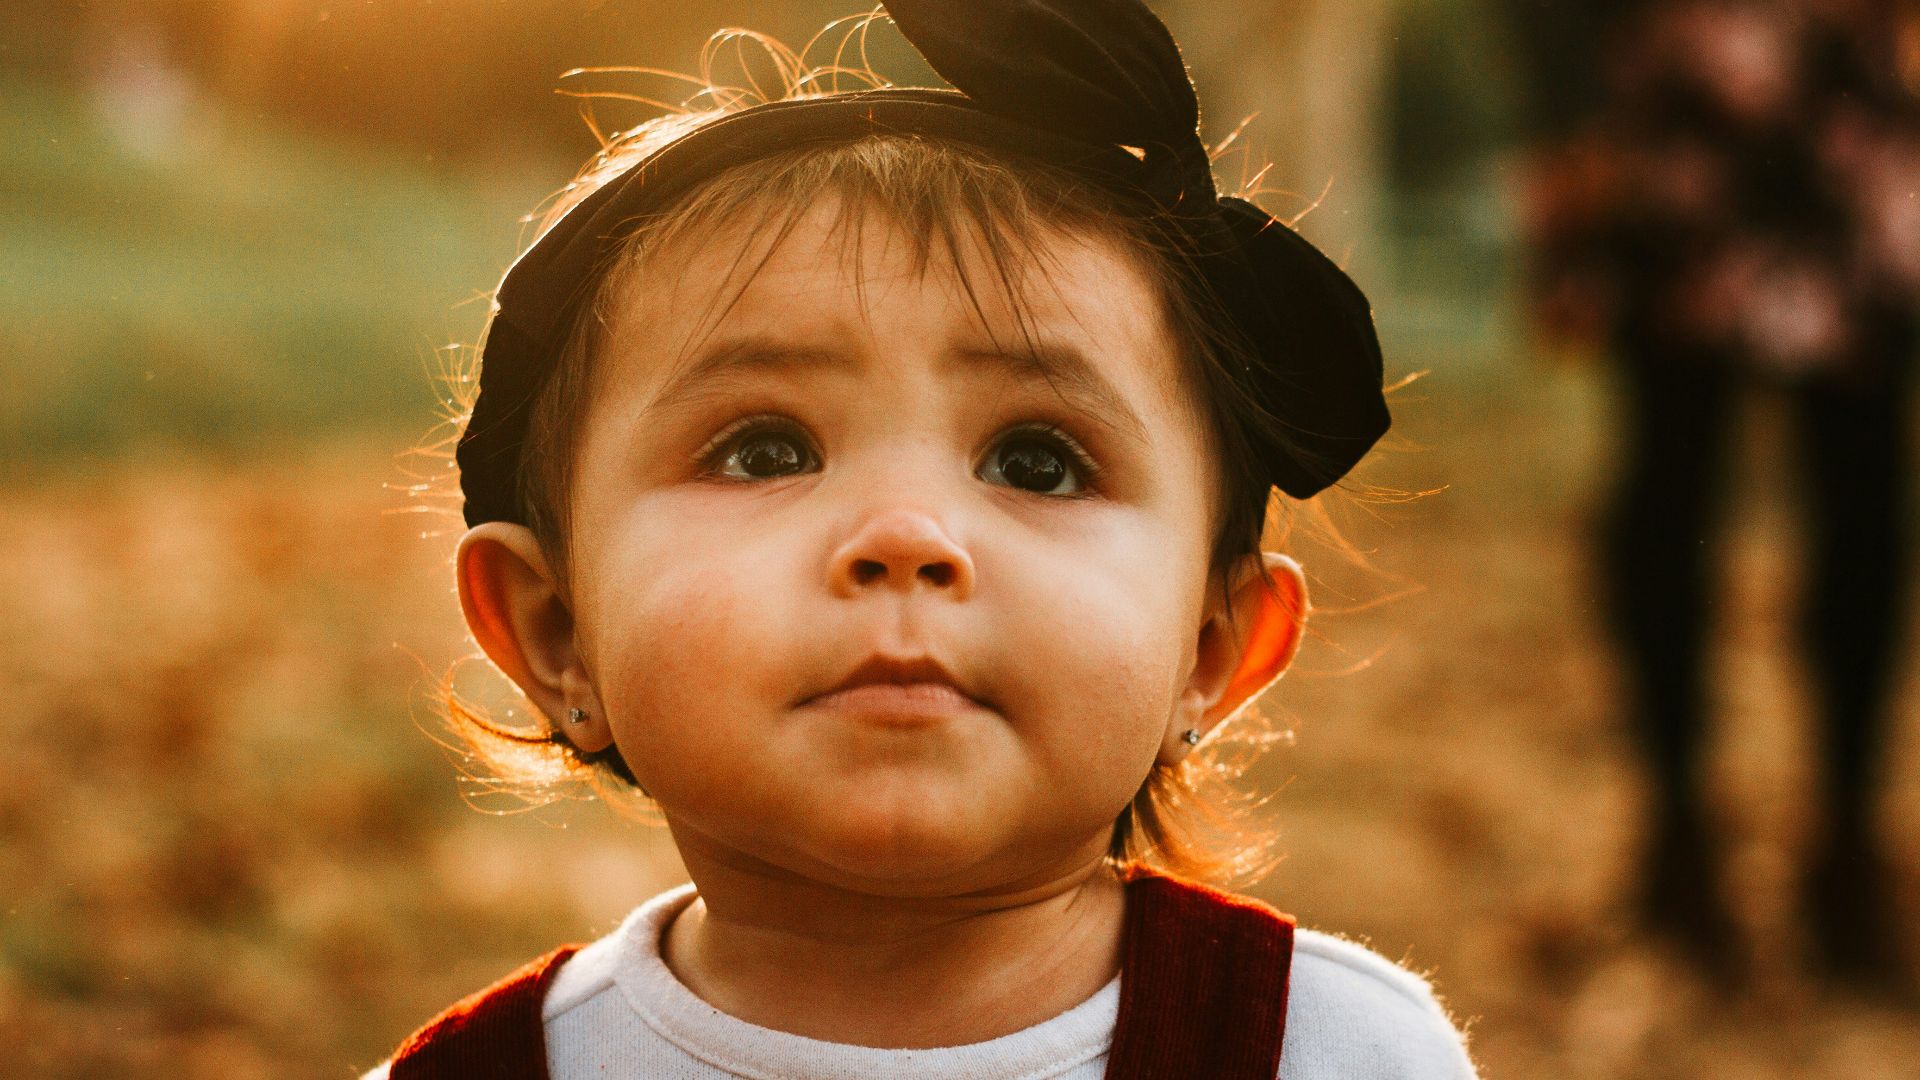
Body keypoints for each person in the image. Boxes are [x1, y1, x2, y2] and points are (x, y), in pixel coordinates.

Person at [369, 2, 1478, 1075]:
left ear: (1209, 647)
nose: (905, 535)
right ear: (555, 629)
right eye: (764, 450)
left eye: (1037, 462)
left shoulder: (1337, 1054)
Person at [1517, 0, 1918, 991]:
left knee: (1865, 501)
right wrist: (1562, 116)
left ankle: (1848, 845)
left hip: (1846, 107)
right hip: (1671, 100)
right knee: (1668, 491)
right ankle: (1678, 839)